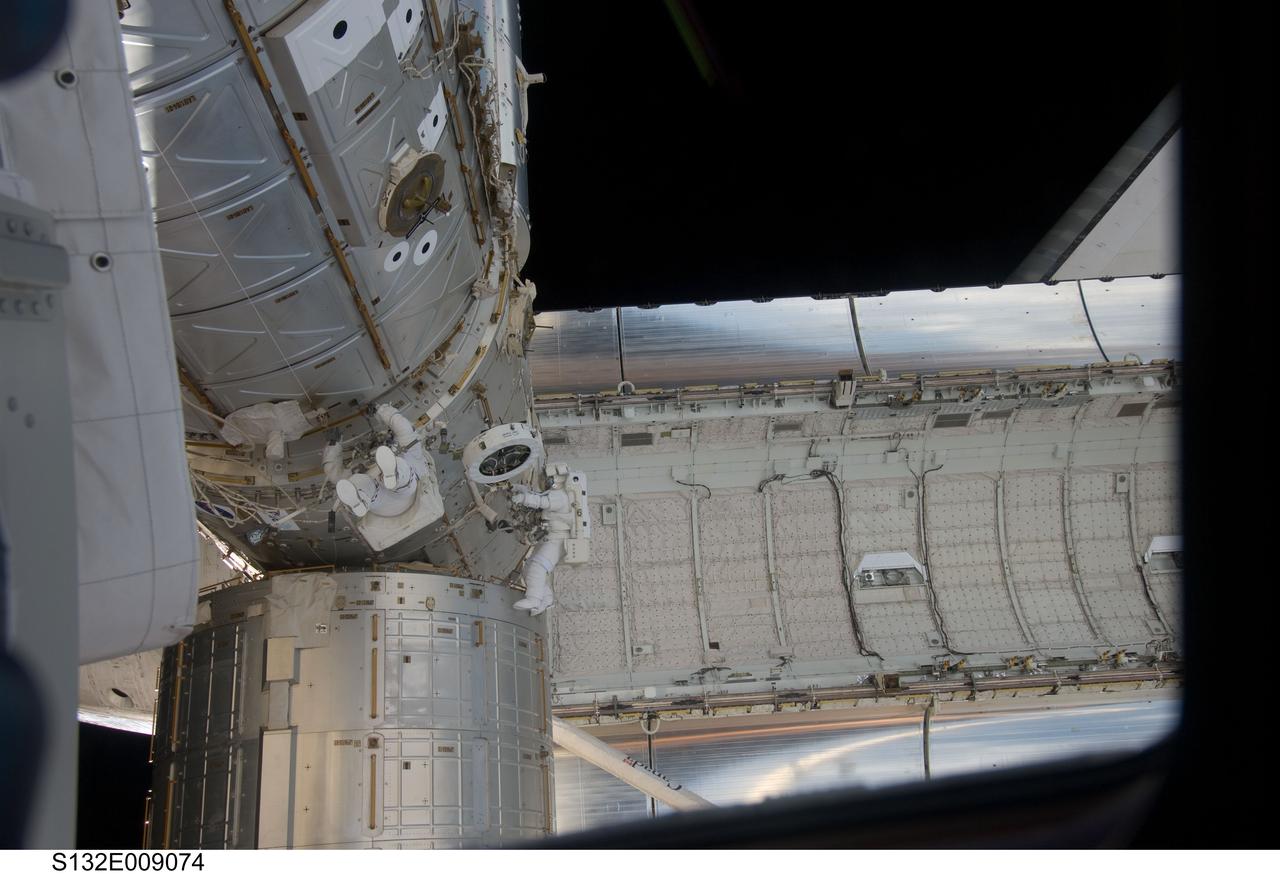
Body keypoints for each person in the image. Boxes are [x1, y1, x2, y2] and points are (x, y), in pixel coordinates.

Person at [324, 404, 429, 519]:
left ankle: (360, 497)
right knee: (406, 480)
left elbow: (332, 472)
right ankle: (394, 475)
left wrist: (333, 443)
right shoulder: (410, 449)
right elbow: (403, 427)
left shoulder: (362, 470)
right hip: (403, 497)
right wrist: (380, 410)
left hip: (384, 504)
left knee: (362, 484)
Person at [509, 478, 578, 615]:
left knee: (538, 566)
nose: (545, 479)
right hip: (551, 537)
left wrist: (522, 498)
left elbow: (541, 501)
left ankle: (533, 599)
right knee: (528, 567)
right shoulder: (561, 495)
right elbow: (538, 495)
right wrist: (517, 488)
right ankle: (546, 600)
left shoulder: (563, 497)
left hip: (558, 541)